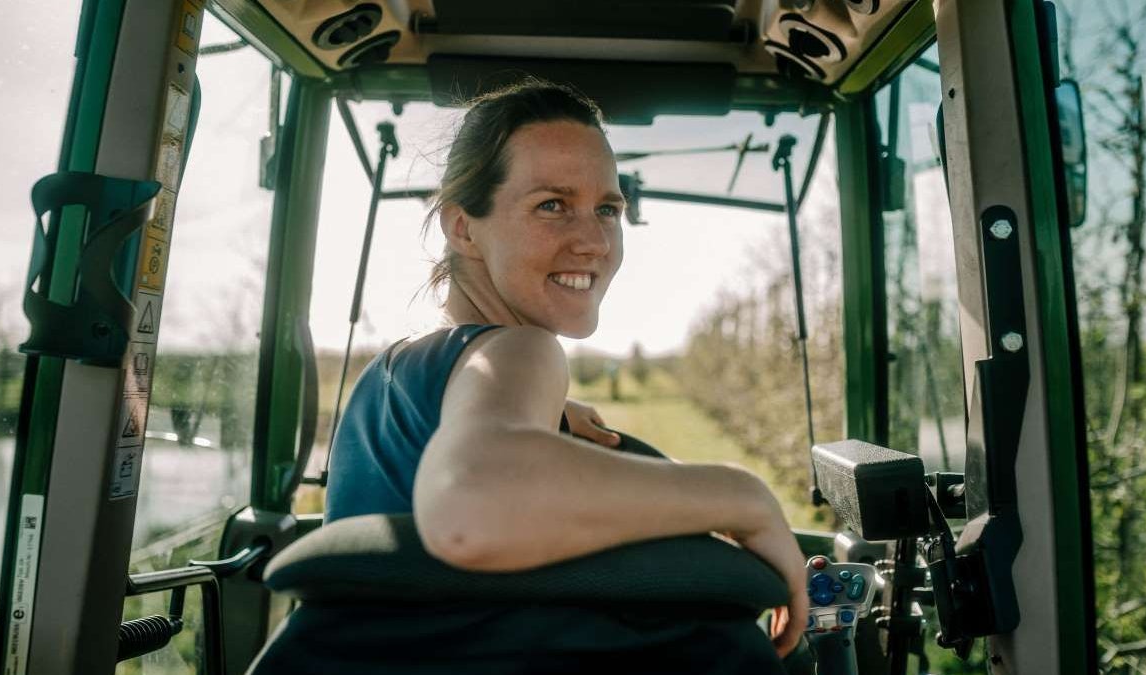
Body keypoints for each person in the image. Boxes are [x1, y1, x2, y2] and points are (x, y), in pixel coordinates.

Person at [324, 79, 809, 669]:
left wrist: (537, 419)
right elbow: (470, 507)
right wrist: (743, 496)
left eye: (608, 208)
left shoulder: (398, 370)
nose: (594, 241)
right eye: (552, 205)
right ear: (462, 227)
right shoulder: (517, 351)